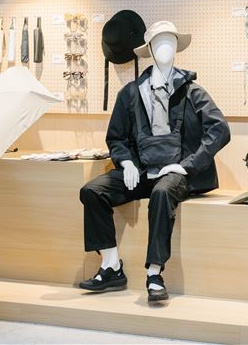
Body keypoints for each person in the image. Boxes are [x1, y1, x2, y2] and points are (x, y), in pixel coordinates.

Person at [78, 21, 230, 303]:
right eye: (159, 42)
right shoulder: (130, 93)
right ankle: (111, 265)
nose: (165, 48)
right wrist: (126, 162)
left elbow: (219, 129)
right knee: (92, 191)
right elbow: (116, 137)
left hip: (176, 172)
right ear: (148, 49)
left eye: (170, 42)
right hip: (141, 170)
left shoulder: (192, 91)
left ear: (177, 47)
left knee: (162, 193)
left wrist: (187, 165)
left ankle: (155, 274)